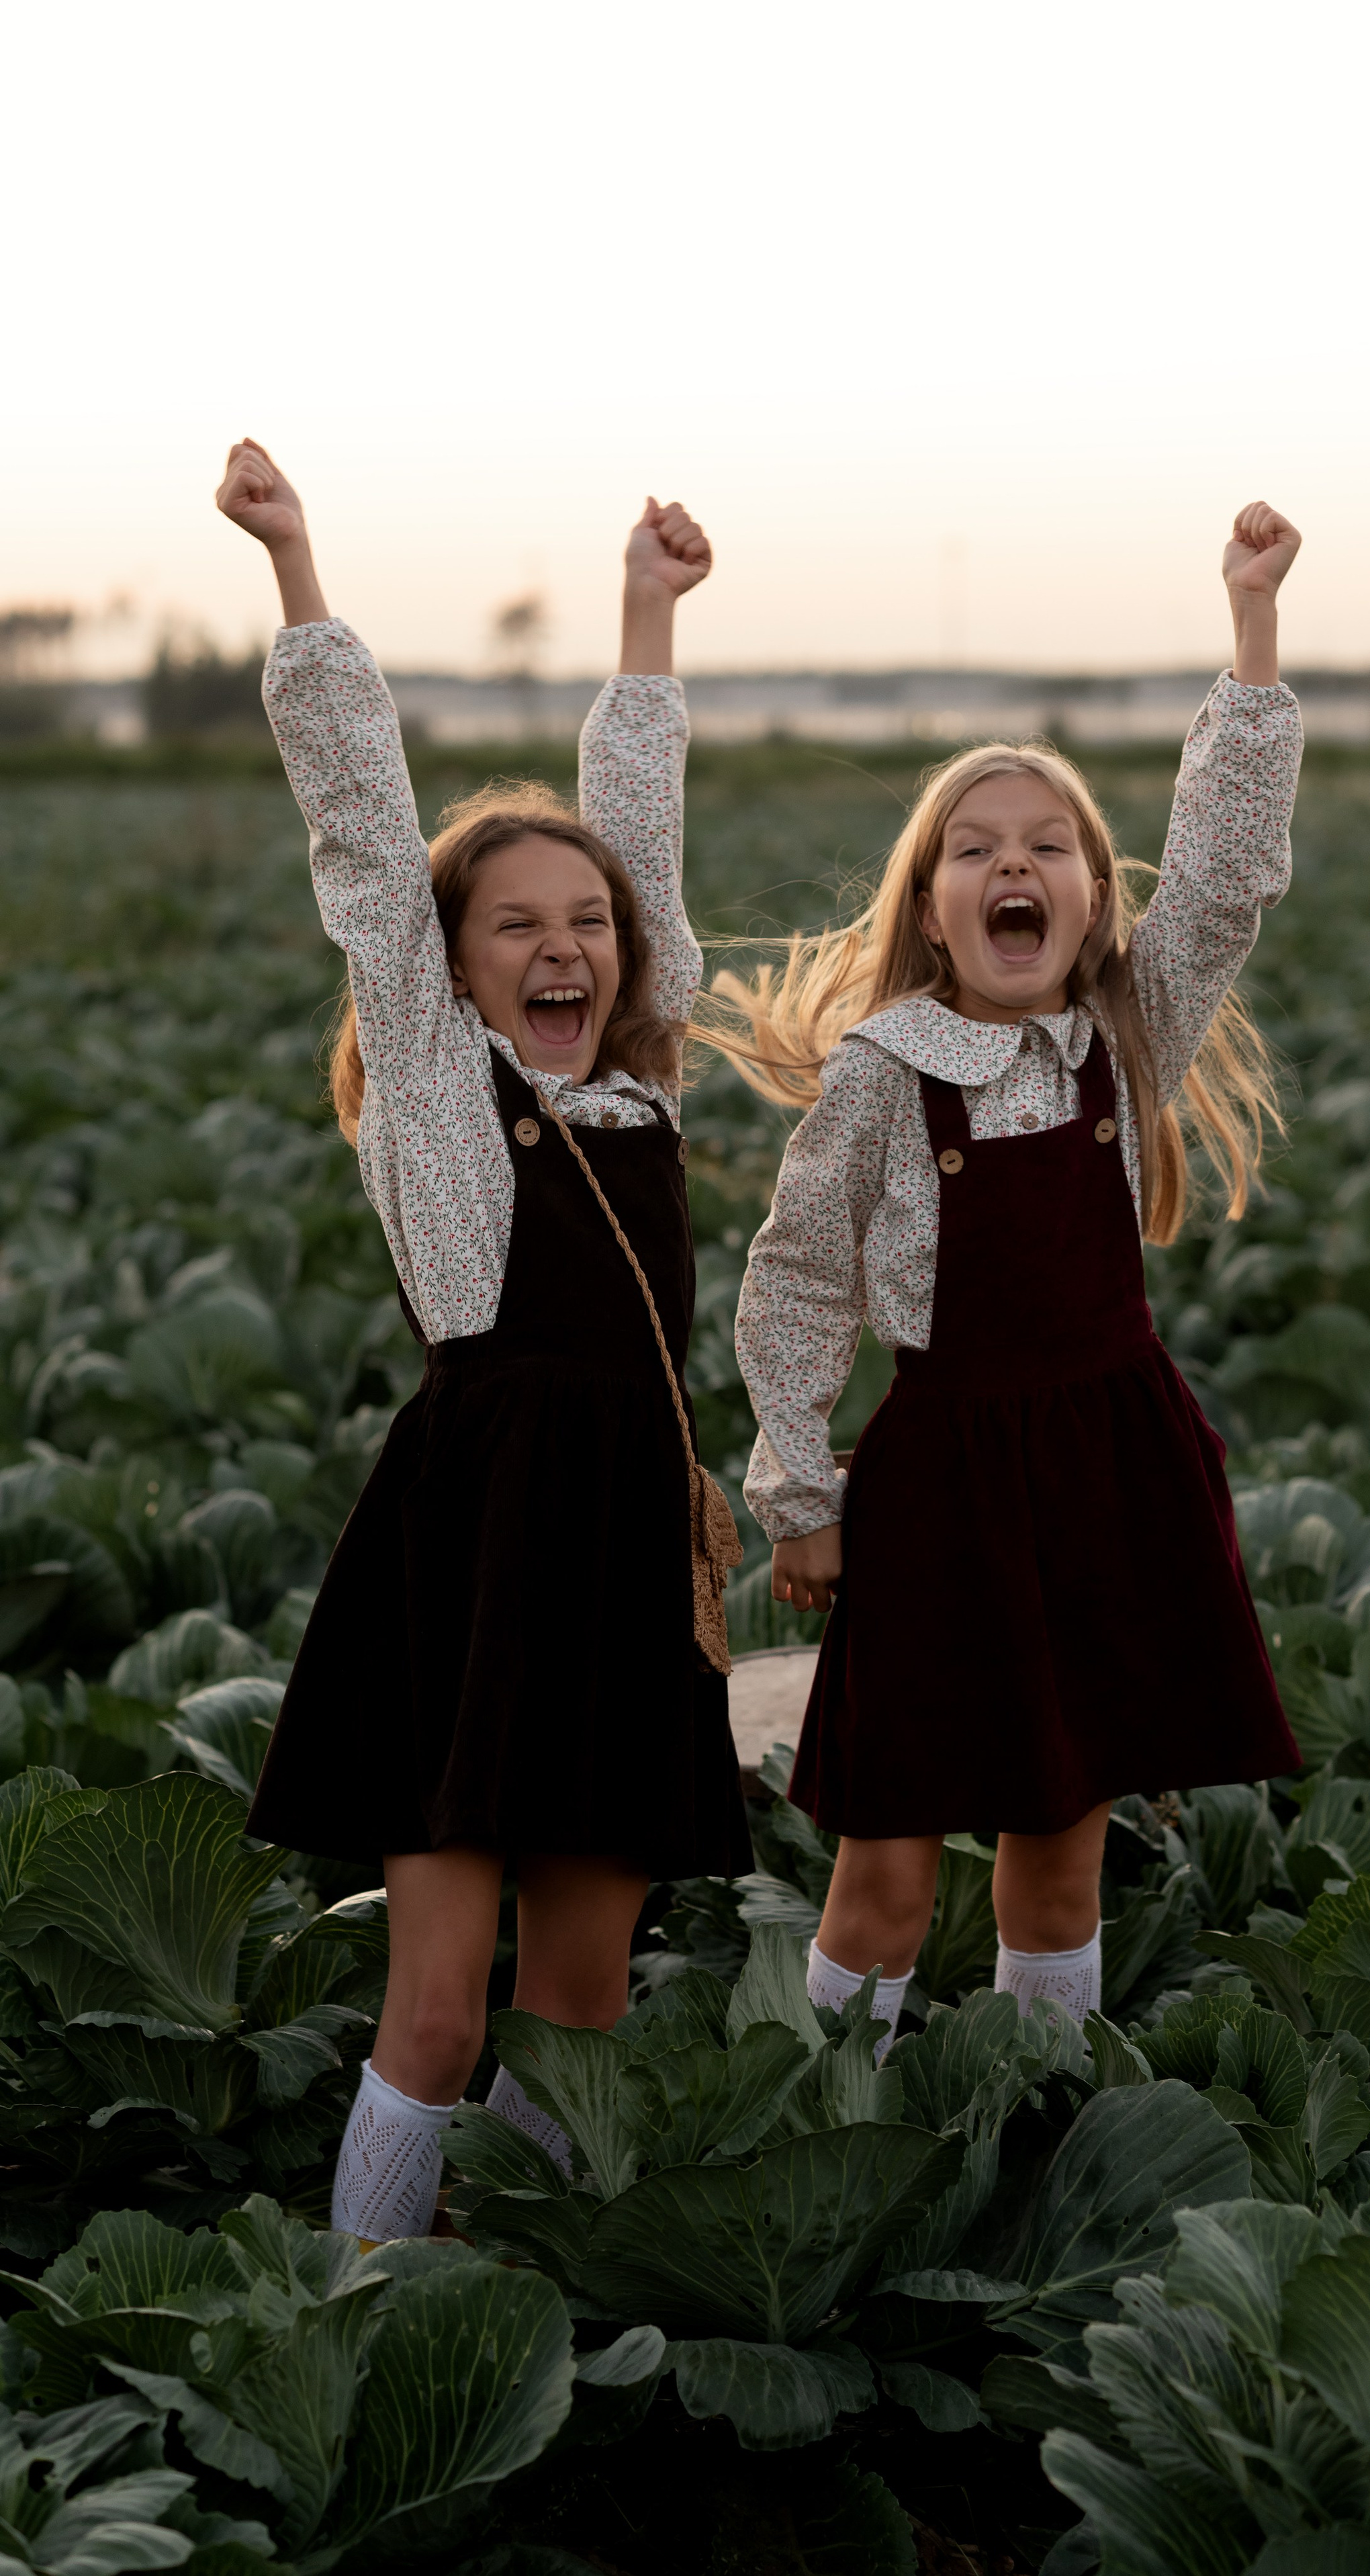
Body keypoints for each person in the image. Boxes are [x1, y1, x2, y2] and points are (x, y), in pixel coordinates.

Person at [216, 439, 750, 2239]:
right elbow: (366, 836)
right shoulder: (446, 1107)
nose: (566, 944)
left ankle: (514, 2300)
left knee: (580, 2016)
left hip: (618, 1558)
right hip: (476, 1550)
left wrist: (647, 618)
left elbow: (645, 838)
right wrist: (301, 573)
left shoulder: (640, 1091)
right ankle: (360, 2306)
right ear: (446, 966)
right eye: (516, 921)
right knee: (437, 2013)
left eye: (587, 922)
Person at [721, 503, 1306, 2053]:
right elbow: (790, 1287)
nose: (1013, 865)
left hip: (1105, 1470)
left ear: (1094, 902)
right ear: (931, 909)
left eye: (1046, 846)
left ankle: (1043, 2101)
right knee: (886, 1865)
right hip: (940, 1490)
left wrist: (1248, 626)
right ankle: (840, 2107)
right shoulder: (879, 1074)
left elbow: (1232, 875)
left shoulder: (1122, 1037)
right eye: (974, 850)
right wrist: (801, 1491)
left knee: (1061, 1852)